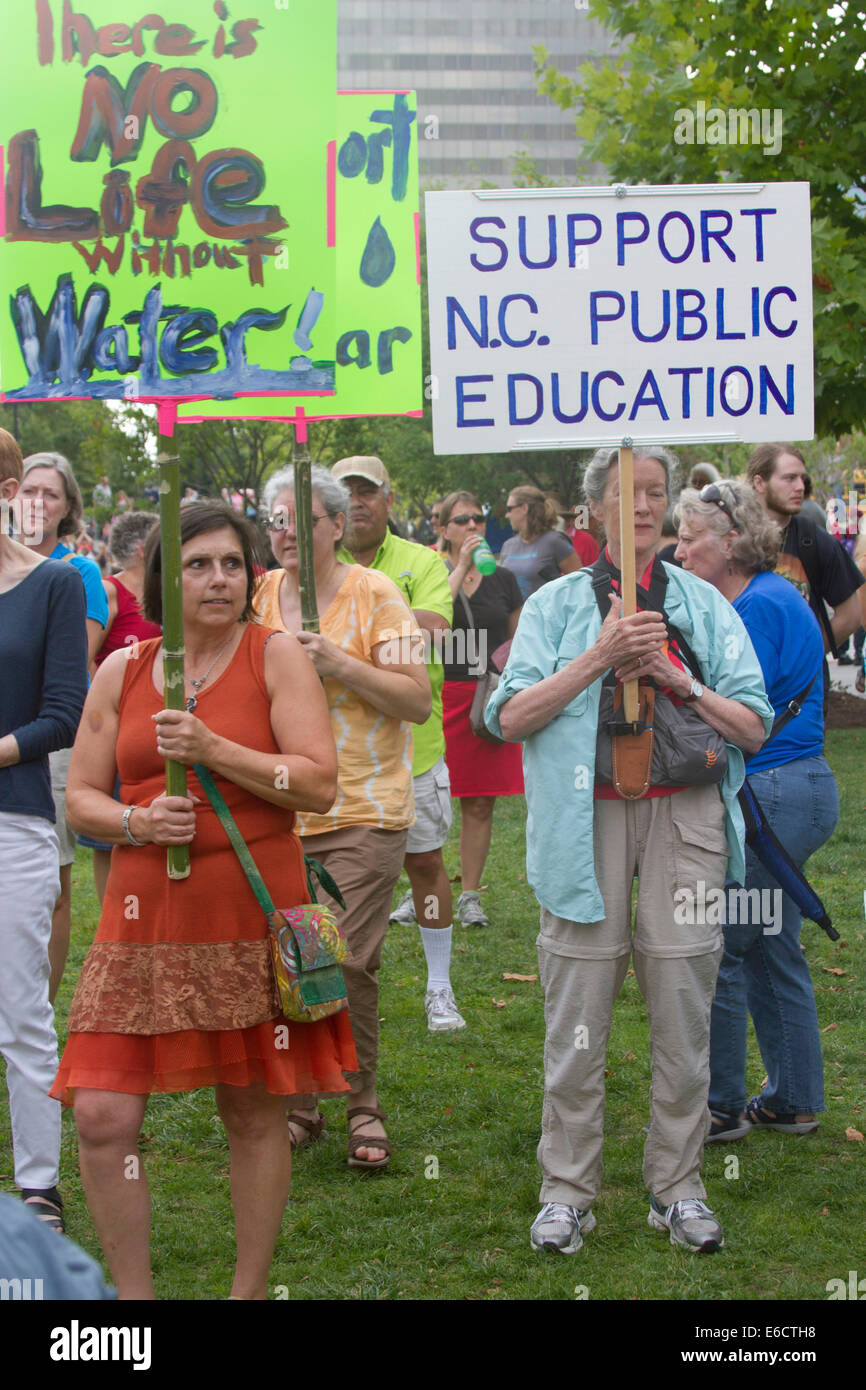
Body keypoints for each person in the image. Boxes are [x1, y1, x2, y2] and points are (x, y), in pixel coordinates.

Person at [50, 501, 355, 1300]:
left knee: (253, 1112)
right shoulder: (125, 670)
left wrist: (215, 749)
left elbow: (318, 783)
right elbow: (81, 797)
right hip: (140, 920)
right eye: (197, 564)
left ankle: (247, 1293)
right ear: (165, 578)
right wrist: (136, 820)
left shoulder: (275, 655)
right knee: (103, 1115)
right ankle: (135, 1301)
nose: (219, 578)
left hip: (248, 914)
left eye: (231, 562)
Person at [486, 445, 773, 1256]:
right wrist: (600, 659)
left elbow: (753, 724)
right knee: (576, 1014)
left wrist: (676, 679)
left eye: (654, 494)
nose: (641, 507)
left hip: (684, 821)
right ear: (592, 509)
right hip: (583, 830)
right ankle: (568, 1190)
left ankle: (677, 1187)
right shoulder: (551, 606)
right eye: (625, 493)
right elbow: (508, 718)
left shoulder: (705, 606)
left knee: (684, 1003)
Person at [254, 466, 431, 1167]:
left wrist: (337, 661)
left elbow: (417, 699)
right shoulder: (259, 595)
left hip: (364, 806)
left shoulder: (377, 595)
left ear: (335, 524)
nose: (287, 530)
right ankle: (301, 1104)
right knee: (292, 957)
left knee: (345, 960)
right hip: (278, 806)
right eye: (275, 518)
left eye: (300, 516)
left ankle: (362, 1105)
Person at [674, 481, 839, 1139]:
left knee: (725, 946)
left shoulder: (759, 606)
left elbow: (741, 712)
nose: (679, 551)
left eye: (690, 538)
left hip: (775, 795)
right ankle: (792, 1099)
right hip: (791, 791)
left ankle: (720, 1105)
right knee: (773, 946)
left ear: (733, 539)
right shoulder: (761, 597)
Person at [333, 457, 466, 1035]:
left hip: (415, 747)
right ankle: (330, 989)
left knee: (425, 863)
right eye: (346, 494)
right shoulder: (311, 564)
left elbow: (433, 631)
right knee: (328, 876)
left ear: (389, 500)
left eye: (368, 492)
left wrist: (346, 625)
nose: (357, 503)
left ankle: (439, 985)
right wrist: (389, 622)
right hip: (330, 751)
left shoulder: (422, 561)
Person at [0, 427, 88, 1236]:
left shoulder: (53, 586)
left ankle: (39, 1185)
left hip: (13, 818)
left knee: (20, 1005)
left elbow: (65, 712)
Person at [19, 452, 110, 1001]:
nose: (38, 503)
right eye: (29, 490)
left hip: (46, 739)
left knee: (49, 884)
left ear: (68, 507)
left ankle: (37, 1007)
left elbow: (72, 662)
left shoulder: (78, 572)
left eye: (51, 494)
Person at [437, 490, 524, 927]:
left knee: (478, 804)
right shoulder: (433, 572)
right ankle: (425, 889)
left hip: (483, 697)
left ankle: (469, 893)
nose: (472, 526)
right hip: (439, 695)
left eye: (478, 519)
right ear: (443, 529)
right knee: (428, 800)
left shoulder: (504, 579)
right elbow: (432, 623)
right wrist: (461, 568)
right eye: (461, 520)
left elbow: (518, 641)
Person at [86, 512, 161, 903]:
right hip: (119, 728)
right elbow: (85, 655)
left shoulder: (163, 591)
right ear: (143, 548)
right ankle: (112, 917)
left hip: (159, 730)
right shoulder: (109, 590)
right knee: (109, 833)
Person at [746, 445, 864, 684]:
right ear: (759, 483)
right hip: (739, 685)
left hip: (800, 695)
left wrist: (803, 657)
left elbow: (850, 616)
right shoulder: (731, 537)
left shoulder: (815, 540)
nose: (800, 487)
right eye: (789, 478)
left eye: (802, 478)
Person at [499, 484, 583, 600]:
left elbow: (580, 584)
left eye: (509, 509)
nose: (506, 515)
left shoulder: (554, 541)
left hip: (546, 616)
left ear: (524, 508)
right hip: (513, 617)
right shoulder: (508, 545)